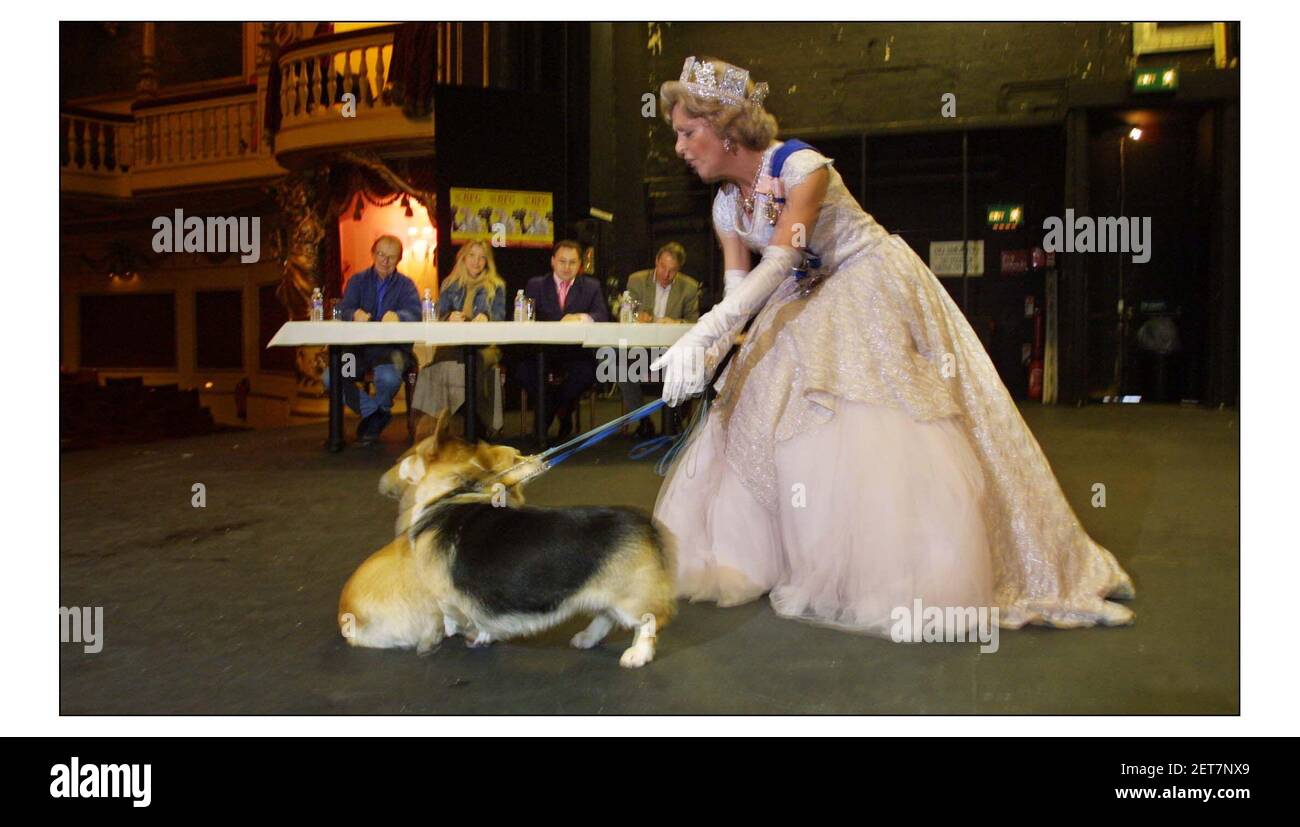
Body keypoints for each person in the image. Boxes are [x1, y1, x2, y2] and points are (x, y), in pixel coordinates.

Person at [650, 56, 1135, 637]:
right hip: (802, 293)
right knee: (751, 401)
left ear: (726, 129)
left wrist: (705, 329)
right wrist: (716, 349)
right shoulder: (727, 204)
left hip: (863, 277)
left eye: (686, 132)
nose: (678, 146)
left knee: (871, 412)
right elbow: (738, 288)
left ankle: (909, 570)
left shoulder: (802, 167)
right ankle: (766, 554)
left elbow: (780, 257)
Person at [328, 235, 421, 445]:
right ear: (372, 253)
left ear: (399, 259)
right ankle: (375, 413)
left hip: (392, 350)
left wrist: (399, 316)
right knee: (332, 376)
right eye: (380, 254)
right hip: (358, 350)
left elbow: (416, 313)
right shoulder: (358, 280)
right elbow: (344, 309)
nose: (384, 260)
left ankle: (376, 414)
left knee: (388, 378)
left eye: (391, 256)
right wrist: (354, 314)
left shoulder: (406, 285)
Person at [512, 240, 610, 439]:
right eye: (562, 261)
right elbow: (527, 316)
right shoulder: (536, 284)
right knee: (523, 372)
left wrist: (580, 317)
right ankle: (563, 409)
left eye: (572, 262)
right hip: (541, 353)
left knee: (586, 373)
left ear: (580, 264)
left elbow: (602, 315)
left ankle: (544, 423)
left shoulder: (592, 286)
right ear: (552, 262)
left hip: (575, 353)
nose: (567, 267)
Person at [411, 240, 508, 435]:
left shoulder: (497, 286)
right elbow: (440, 314)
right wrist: (449, 317)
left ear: (487, 262)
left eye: (482, 257)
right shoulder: (449, 284)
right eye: (472, 255)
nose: (477, 262)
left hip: (485, 347)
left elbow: (500, 315)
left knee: (475, 363)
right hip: (454, 345)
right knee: (435, 366)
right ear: (463, 258)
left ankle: (478, 424)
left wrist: (486, 317)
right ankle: (429, 427)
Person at [620, 242, 700, 439]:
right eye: (663, 267)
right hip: (641, 349)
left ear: (679, 270)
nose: (666, 274)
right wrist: (636, 318)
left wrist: (676, 322)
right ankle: (643, 419)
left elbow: (694, 323)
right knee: (619, 365)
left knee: (688, 364)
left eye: (672, 271)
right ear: (656, 262)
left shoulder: (689, 287)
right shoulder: (636, 280)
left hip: (672, 351)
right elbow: (625, 312)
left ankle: (674, 420)